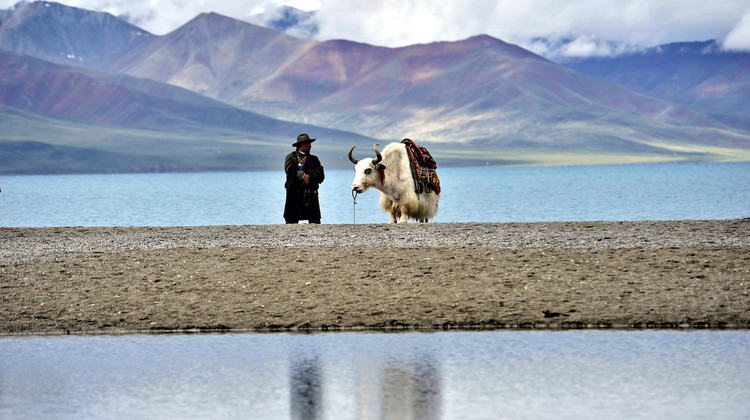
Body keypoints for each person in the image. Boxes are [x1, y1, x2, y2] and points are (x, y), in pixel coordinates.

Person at [284, 134, 325, 224]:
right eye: (307, 143)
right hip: (294, 192)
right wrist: (303, 176)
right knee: (291, 221)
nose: (310, 145)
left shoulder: (314, 159)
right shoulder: (291, 157)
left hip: (311, 192)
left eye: (310, 143)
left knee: (314, 221)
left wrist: (310, 176)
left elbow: (320, 174)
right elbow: (290, 171)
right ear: (300, 145)